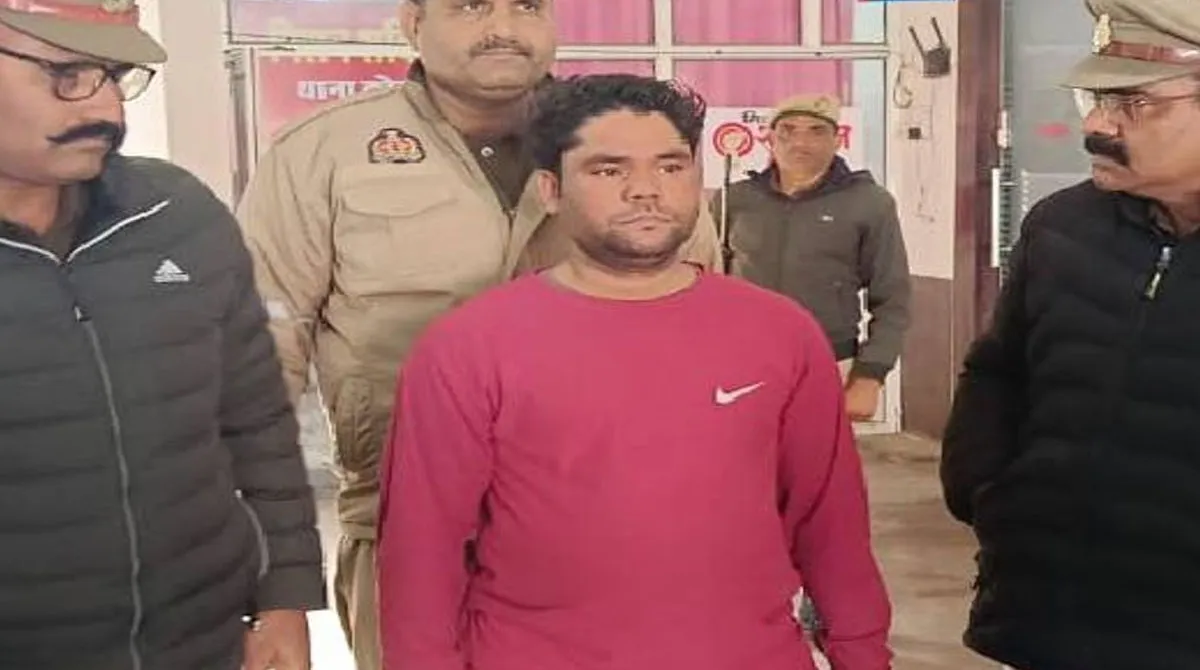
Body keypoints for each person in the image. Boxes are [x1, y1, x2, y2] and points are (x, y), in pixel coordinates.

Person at [234, 2, 720, 667]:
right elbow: (259, 366)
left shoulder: (633, 151)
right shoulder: (323, 153)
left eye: (528, 6)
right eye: (470, 5)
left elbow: (701, 332)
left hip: (621, 531)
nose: (504, 29)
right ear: (412, 22)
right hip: (404, 528)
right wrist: (272, 584)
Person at [377, 73, 891, 670]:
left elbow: (831, 524)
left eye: (671, 166)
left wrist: (863, 656)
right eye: (608, 169)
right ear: (550, 190)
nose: (646, 190)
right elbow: (422, 553)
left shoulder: (781, 333)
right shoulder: (467, 348)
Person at [0, 2, 325, 670]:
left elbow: (258, 426)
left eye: (115, 76)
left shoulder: (175, 215)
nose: (108, 111)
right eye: (67, 75)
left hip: (202, 642)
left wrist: (283, 600)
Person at [941, 1, 1200, 669]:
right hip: (1048, 617)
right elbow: (999, 371)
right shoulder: (1062, 227)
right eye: (1096, 98)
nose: (1095, 124)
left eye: (1132, 103)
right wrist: (989, 492)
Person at [714, 95, 910, 422]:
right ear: (770, 138)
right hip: (741, 361)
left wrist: (871, 375)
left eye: (816, 131)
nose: (800, 142)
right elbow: (707, 281)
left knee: (817, 454)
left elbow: (892, 297)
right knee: (739, 453)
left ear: (837, 139)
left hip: (829, 360)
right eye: (788, 130)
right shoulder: (734, 200)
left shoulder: (870, 203)